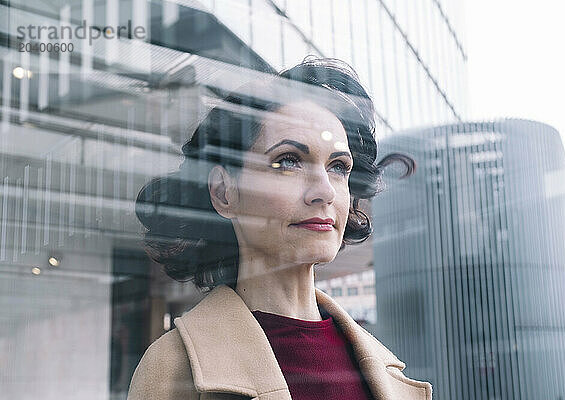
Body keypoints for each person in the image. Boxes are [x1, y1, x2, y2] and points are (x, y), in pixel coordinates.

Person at [128, 57, 432, 400]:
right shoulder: (173, 369)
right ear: (223, 192)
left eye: (338, 167)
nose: (325, 191)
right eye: (288, 161)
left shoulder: (381, 367)